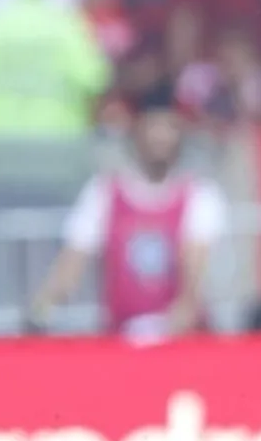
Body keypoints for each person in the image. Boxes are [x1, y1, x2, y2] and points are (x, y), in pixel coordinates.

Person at [29, 88, 228, 342]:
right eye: (152, 127)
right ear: (136, 132)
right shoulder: (102, 193)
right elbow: (71, 265)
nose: (161, 138)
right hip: (120, 340)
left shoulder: (200, 196)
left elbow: (193, 279)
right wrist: (41, 309)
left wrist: (161, 330)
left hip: (181, 342)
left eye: (169, 128)